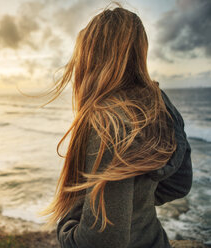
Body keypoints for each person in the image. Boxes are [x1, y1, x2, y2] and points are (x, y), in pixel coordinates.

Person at [41, 6, 192, 248]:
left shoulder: (105, 121)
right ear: (140, 52)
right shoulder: (159, 103)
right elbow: (179, 183)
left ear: (90, 57)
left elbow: (101, 242)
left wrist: (66, 228)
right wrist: (133, 204)